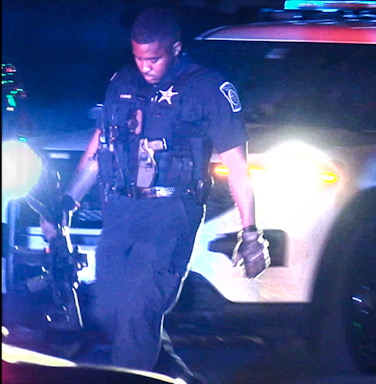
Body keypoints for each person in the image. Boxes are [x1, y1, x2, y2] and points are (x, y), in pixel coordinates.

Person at [40, 7, 269, 383]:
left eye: (154, 58)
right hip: (122, 212)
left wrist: (250, 233)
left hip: (171, 213)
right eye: (138, 57)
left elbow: (238, 166)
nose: (145, 66)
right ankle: (172, 376)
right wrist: (68, 201)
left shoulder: (207, 89)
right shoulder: (122, 82)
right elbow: (101, 146)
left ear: (176, 48)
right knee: (109, 307)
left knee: (138, 309)